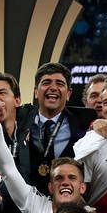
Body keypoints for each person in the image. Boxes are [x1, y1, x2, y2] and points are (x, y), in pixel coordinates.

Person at [22, 62, 96, 194]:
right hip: (27, 204)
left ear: (68, 93)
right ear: (35, 92)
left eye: (60, 84)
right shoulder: (21, 118)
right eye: (46, 82)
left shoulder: (87, 119)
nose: (53, 88)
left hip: (68, 202)